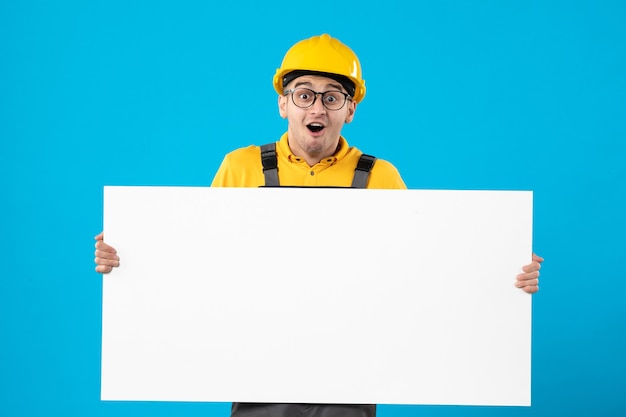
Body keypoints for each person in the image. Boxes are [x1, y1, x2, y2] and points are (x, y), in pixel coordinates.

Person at [94, 34, 543, 417]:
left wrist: (503, 278)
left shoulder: (380, 177)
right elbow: (198, 260)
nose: (318, 107)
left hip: (351, 379)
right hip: (257, 374)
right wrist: (130, 260)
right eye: (304, 93)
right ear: (283, 103)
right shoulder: (240, 167)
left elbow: (423, 273)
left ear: (350, 110)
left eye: (333, 97)